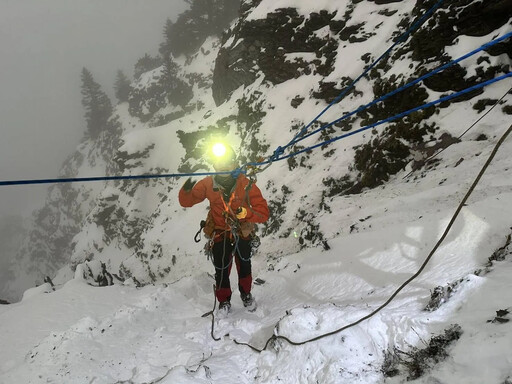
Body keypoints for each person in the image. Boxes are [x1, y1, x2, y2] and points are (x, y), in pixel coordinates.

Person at [178, 143, 269, 314]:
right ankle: (224, 301)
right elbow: (187, 201)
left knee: (244, 265)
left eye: (227, 163)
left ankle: (246, 294)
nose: (223, 167)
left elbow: (263, 212)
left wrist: (247, 213)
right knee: (221, 268)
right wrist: (186, 188)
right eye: (219, 163)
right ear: (214, 165)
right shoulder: (208, 184)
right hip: (220, 231)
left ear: (235, 164)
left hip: (241, 231)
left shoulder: (245, 184)